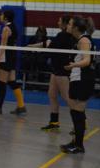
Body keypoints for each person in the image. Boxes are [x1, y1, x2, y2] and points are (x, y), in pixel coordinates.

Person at [28, 15, 75, 132]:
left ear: (65, 24)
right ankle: (54, 123)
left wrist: (32, 46)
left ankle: (80, 123)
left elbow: (48, 45)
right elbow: (49, 44)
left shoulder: (64, 35)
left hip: (62, 70)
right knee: (52, 95)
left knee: (67, 97)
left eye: (59, 20)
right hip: (56, 69)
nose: (57, 22)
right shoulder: (62, 35)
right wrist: (31, 46)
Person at [62, 17, 95, 154]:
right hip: (77, 78)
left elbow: (87, 60)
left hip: (83, 79)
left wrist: (73, 65)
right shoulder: (80, 40)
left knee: (78, 112)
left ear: (75, 28)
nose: (67, 26)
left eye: (70, 24)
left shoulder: (84, 40)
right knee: (74, 111)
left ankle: (79, 145)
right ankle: (75, 141)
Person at [0, 10, 26, 116]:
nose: (0, 16)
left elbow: (3, 46)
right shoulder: (14, 27)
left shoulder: (6, 28)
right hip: (12, 57)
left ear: (6, 17)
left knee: (2, 83)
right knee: (12, 82)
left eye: (2, 15)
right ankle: (21, 106)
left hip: (5, 58)